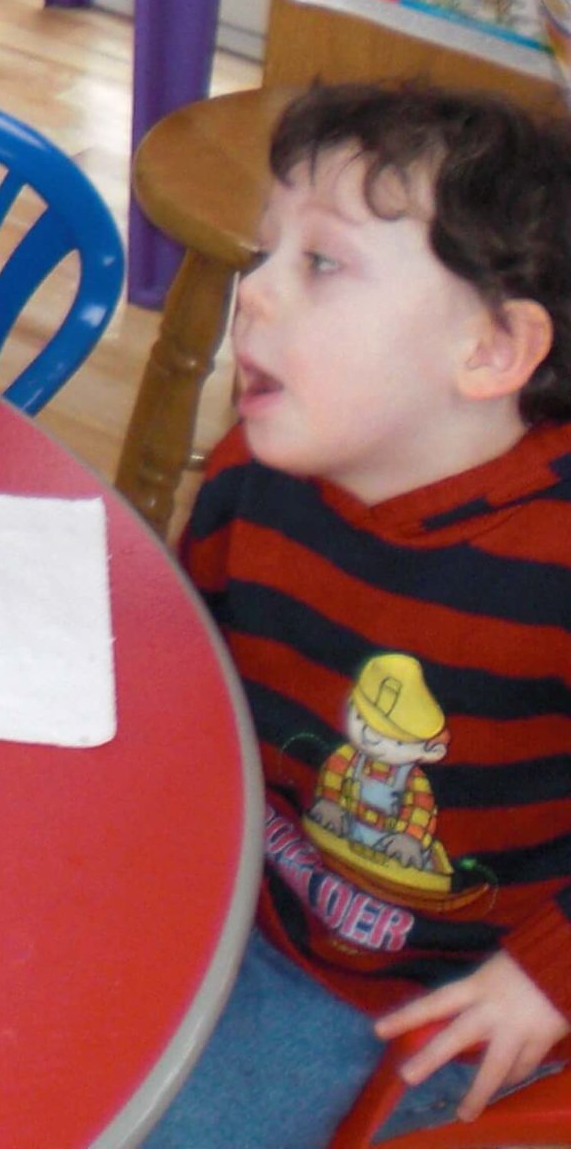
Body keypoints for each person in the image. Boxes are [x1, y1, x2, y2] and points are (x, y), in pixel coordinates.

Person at [147, 83, 571, 1148]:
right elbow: (184, 676)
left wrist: (548, 973)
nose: (254, 292)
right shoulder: (252, 473)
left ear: (489, 350)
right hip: (234, 893)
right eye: (265, 252)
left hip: (430, 990)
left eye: (321, 263)